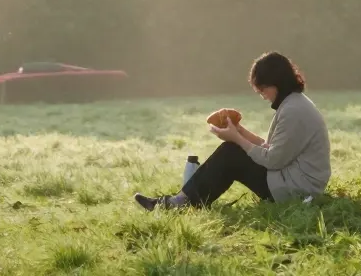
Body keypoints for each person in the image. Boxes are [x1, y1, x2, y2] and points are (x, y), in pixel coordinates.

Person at [134, 52, 330, 210]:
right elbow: (271, 148)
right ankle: (184, 200)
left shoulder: (293, 111)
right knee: (233, 150)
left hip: (298, 189)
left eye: (262, 90)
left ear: (276, 83)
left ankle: (180, 202)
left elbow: (273, 159)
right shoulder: (293, 104)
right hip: (294, 180)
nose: (262, 96)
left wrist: (236, 139)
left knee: (231, 153)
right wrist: (239, 131)